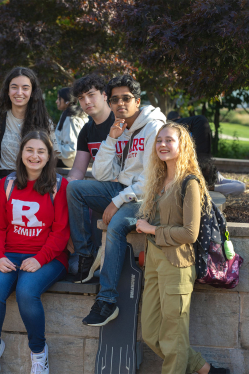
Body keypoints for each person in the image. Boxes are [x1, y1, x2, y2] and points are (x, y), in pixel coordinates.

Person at [67, 75, 165, 326]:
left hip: (147, 197)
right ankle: (86, 255)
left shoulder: (154, 127)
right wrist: (111, 139)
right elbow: (102, 175)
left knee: (117, 224)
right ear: (110, 103)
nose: (120, 103)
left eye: (126, 98)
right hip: (124, 189)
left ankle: (107, 300)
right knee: (75, 189)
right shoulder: (122, 129)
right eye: (115, 99)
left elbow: (150, 179)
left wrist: (116, 202)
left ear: (137, 101)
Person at [136, 122, 230, 374]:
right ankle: (205, 369)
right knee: (151, 332)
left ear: (182, 145)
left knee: (173, 336)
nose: (163, 145)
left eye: (169, 140)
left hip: (177, 264)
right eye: (159, 140)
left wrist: (151, 229)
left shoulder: (190, 183)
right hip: (155, 262)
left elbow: (190, 233)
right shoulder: (158, 180)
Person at [0, 131, 70, 374]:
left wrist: (39, 259)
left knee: (26, 291)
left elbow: (61, 233)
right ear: (21, 154)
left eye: (41, 151)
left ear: (49, 155)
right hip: (8, 253)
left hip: (48, 256)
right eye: (29, 150)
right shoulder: (7, 184)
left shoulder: (59, 186)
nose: (34, 155)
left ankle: (39, 353)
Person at [65, 74, 116, 277]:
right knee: (68, 187)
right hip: (104, 190)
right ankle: (84, 253)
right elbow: (78, 170)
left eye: (91, 95)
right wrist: (63, 185)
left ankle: (84, 253)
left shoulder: (120, 122)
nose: (86, 101)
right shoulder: (86, 131)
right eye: (81, 98)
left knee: (76, 190)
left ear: (104, 96)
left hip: (126, 190)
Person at [0, 67, 58, 191]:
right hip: (6, 186)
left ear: (32, 92)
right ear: (7, 91)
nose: (19, 92)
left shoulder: (44, 123)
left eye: (25, 88)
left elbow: (51, 162)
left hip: (37, 187)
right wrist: (0, 195)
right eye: (14, 87)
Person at [54, 87, 89, 168]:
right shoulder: (74, 114)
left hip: (70, 160)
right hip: (71, 158)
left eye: (59, 98)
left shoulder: (71, 118)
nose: (56, 101)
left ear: (67, 101)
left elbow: (72, 148)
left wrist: (52, 150)